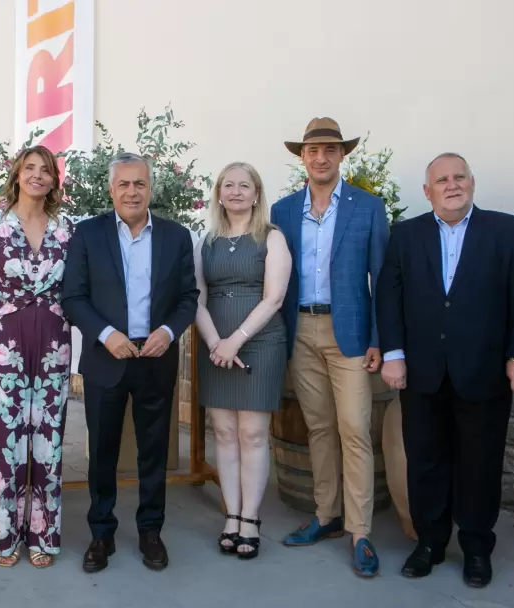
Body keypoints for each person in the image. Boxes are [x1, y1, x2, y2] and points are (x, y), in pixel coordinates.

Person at [376, 152, 514, 588]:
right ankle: (429, 543)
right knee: (425, 460)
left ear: (472, 183)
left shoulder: (508, 231)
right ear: (427, 191)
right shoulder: (405, 235)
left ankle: (475, 547)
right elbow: (389, 299)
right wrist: (393, 354)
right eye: (441, 180)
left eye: (459, 177)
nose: (452, 185)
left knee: (479, 463)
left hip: (484, 371)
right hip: (422, 372)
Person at [61, 151, 199, 573]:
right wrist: (107, 335)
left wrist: (168, 332)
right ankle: (101, 533)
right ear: (111, 189)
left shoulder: (177, 237)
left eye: (139, 183)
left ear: (150, 189)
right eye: (123, 184)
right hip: (107, 359)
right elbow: (73, 298)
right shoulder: (87, 234)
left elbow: (188, 298)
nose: (132, 191)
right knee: (101, 452)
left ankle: (150, 530)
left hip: (156, 357)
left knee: (153, 451)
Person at [271, 117, 389, 578]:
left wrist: (380, 339)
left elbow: (383, 280)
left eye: (330, 150)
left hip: (352, 336)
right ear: (302, 157)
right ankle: (326, 516)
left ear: (343, 156)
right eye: (312, 150)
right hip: (300, 330)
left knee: (355, 431)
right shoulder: (282, 211)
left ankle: (361, 533)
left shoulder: (368, 208)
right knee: (319, 428)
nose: (320, 157)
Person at [0, 145, 75, 568]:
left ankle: (43, 534)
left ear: (53, 180)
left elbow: (76, 289)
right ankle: (7, 535)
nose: (37, 175)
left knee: (47, 443)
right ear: (16, 175)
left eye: (45, 170)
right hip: (3, 344)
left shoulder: (67, 229)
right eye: (29, 168)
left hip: (53, 344)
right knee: (6, 443)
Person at [194, 162, 290, 560]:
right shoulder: (208, 240)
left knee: (251, 434)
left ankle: (250, 518)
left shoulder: (272, 238)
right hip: (216, 344)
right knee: (223, 433)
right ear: (219, 193)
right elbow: (196, 296)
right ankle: (231, 515)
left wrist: (236, 340)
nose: (235, 192)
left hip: (259, 342)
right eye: (228, 185)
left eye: (243, 185)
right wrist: (217, 342)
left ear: (256, 193)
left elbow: (274, 298)